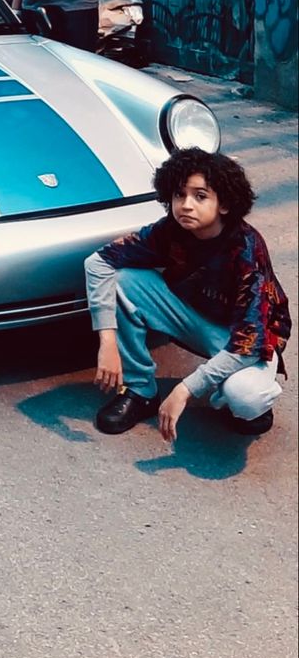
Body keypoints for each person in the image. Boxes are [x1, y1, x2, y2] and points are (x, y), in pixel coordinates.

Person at [84, 148, 291, 441]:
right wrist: (107, 341)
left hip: (249, 341)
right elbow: (98, 263)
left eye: (200, 196)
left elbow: (249, 342)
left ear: (225, 204)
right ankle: (140, 390)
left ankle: (250, 401)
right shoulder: (170, 230)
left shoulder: (245, 248)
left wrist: (185, 389)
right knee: (122, 279)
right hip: (197, 319)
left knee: (245, 398)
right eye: (179, 195)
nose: (186, 205)